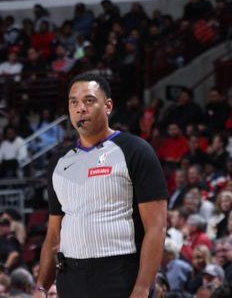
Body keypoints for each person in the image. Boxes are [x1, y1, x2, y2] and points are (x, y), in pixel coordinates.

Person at [33, 72, 168, 298]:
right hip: (71, 277)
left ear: (108, 106)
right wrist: (41, 287)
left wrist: (142, 288)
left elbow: (156, 227)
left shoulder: (135, 150)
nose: (80, 108)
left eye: (88, 100)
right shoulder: (58, 162)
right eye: (73, 102)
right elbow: (54, 234)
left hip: (121, 274)